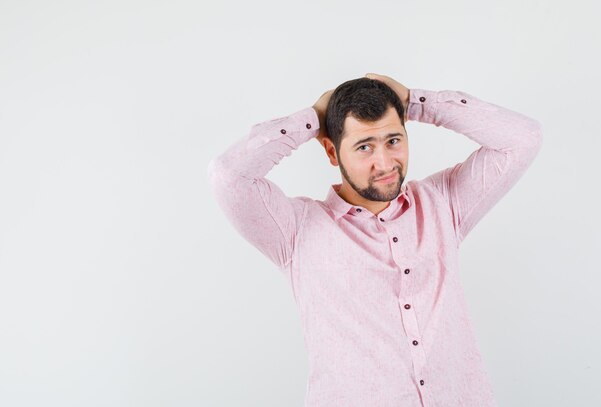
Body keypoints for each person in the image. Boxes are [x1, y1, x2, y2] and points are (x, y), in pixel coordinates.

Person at [207, 73, 543, 407]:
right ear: (332, 151)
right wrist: (313, 118)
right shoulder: (296, 230)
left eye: (394, 140)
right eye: (364, 146)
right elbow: (228, 176)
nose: (384, 163)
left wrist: (417, 102)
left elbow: (523, 138)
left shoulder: (444, 202)